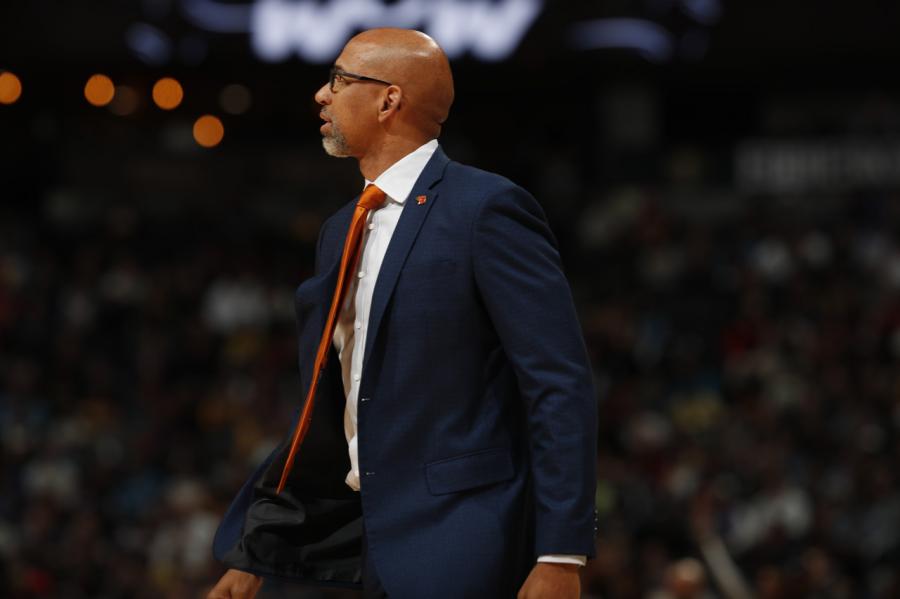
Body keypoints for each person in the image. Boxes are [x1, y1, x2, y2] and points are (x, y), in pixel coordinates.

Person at [207, 28, 597, 599]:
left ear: (389, 100)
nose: (321, 94)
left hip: (468, 535)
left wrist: (561, 553)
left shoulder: (485, 209)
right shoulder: (339, 229)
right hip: (375, 541)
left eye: (339, 79)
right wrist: (258, 548)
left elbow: (557, 382)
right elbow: (331, 405)